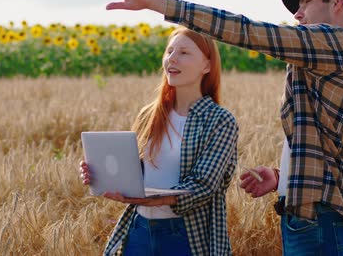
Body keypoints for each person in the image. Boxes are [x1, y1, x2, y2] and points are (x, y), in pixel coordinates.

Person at [93, 0, 343, 255]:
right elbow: (330, 142)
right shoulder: (329, 57)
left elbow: (247, 31)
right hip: (314, 217)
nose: (297, 13)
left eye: (307, 1)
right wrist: (283, 177)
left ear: (337, 2)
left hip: (322, 221)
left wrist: (153, 2)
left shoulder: (338, 43)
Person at [80, 27, 239, 256]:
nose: (172, 58)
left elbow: (203, 185)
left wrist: (152, 199)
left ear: (207, 65)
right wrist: (103, 174)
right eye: (169, 51)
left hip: (186, 237)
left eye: (184, 52)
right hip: (138, 231)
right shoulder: (149, 114)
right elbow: (136, 173)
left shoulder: (220, 121)